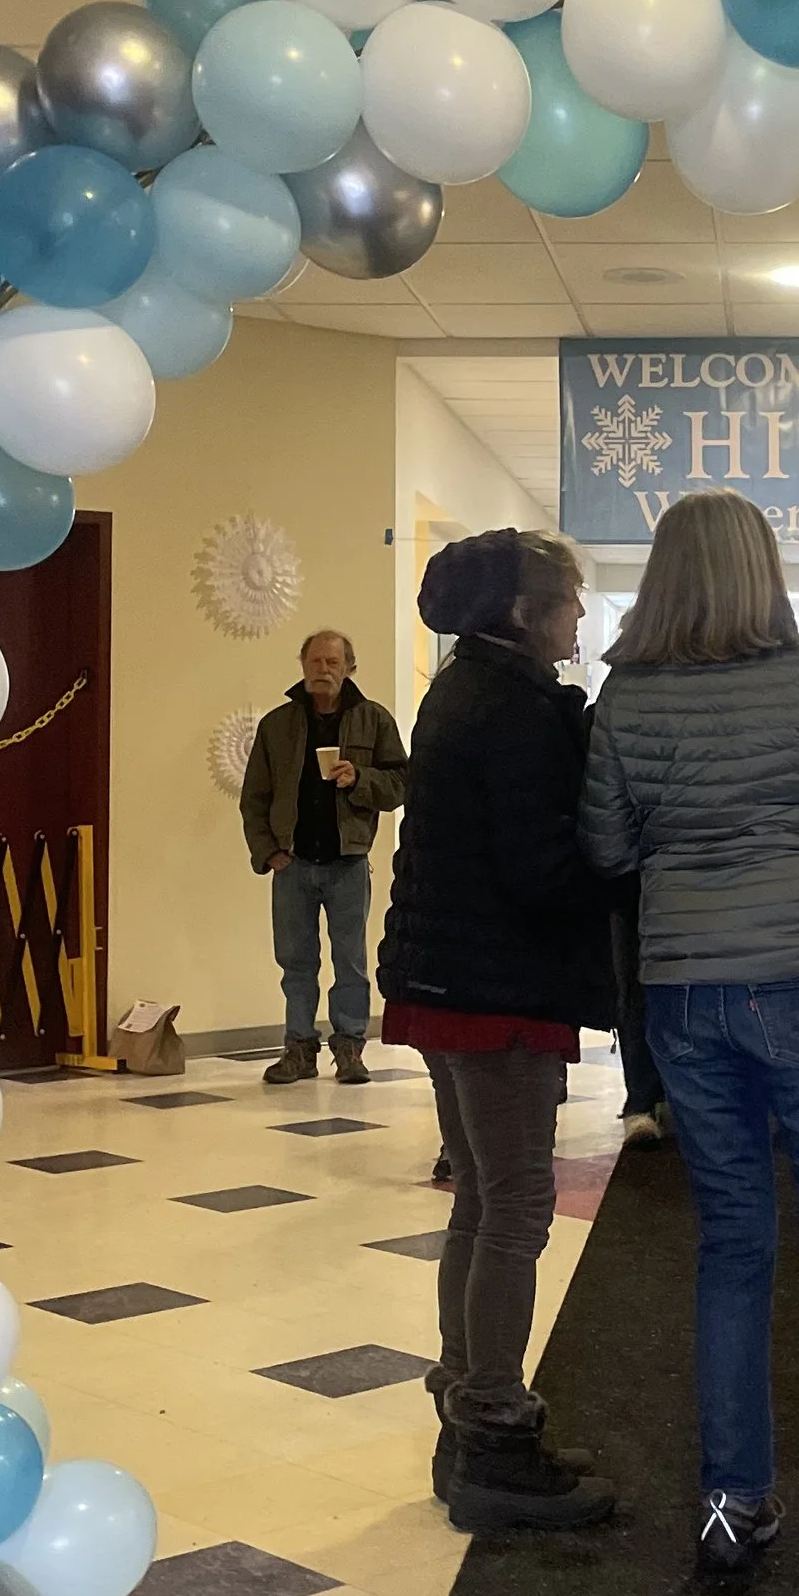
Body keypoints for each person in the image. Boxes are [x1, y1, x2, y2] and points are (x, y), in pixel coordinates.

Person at [580, 492, 799, 1596]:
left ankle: (729, 1503)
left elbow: (607, 845)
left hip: (683, 985)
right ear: (763, 569)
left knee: (732, 1242)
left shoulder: (627, 694)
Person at [378, 531, 616, 1534]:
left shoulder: (457, 691)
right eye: (566, 600)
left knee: (481, 1196)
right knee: (516, 1204)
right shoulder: (517, 712)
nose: (577, 618)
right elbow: (541, 872)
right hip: (497, 987)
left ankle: (466, 1400)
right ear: (521, 611)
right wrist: (625, 874)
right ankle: (494, 1429)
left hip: (444, 976)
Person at [240, 628, 407, 1087]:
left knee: (350, 961)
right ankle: (297, 1049)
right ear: (302, 665)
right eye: (315, 661)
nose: (323, 670)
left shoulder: (374, 720)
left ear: (350, 668)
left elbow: (401, 784)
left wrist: (361, 779)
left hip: (349, 863)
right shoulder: (278, 725)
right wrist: (268, 851)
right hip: (292, 864)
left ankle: (350, 1049)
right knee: (296, 962)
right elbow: (254, 796)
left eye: (333, 663)